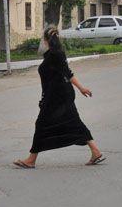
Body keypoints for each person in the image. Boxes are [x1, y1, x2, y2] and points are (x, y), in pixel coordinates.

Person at [14, 27, 105, 168]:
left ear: (45, 40)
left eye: (42, 39)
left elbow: (68, 73)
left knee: (42, 124)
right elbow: (58, 76)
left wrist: (81, 88)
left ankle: (31, 160)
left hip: (59, 95)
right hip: (57, 94)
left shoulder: (56, 55)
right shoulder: (52, 54)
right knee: (73, 121)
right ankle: (95, 151)